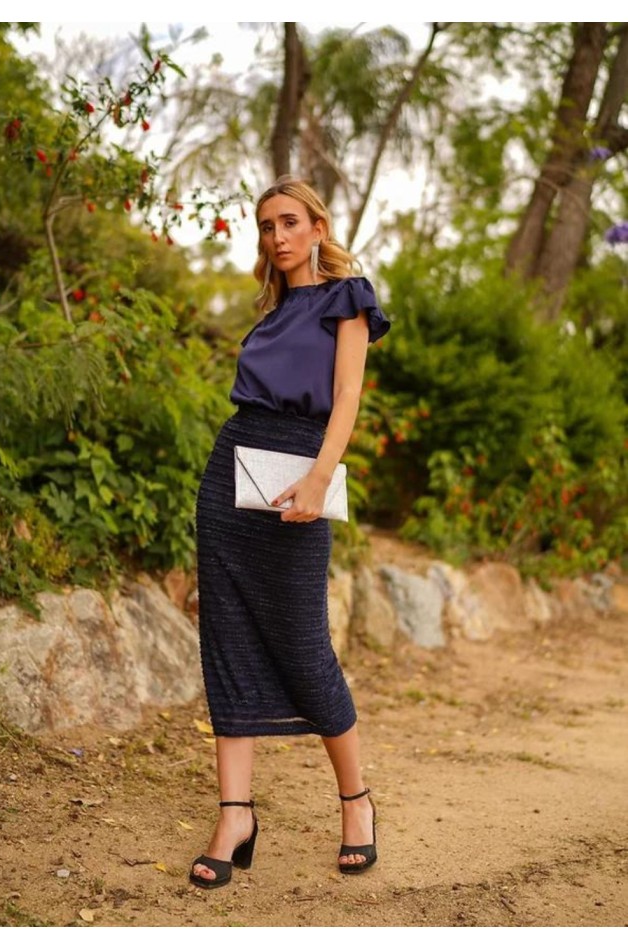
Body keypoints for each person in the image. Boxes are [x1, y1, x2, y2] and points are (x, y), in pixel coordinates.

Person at [190, 175, 391, 888]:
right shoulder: (269, 310)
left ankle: (357, 801)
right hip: (232, 474)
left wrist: (316, 477)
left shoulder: (348, 297)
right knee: (229, 641)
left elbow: (345, 399)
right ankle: (235, 815)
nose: (277, 236)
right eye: (267, 225)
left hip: (302, 470)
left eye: (289, 222)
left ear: (316, 225)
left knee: (305, 644)